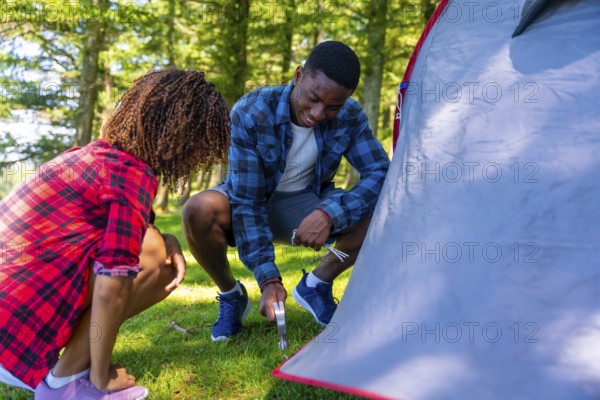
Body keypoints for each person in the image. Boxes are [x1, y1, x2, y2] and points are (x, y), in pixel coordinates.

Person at [0, 69, 230, 399]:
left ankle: (70, 371)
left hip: (9, 320)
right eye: (199, 144)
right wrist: (102, 376)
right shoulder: (131, 174)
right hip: (14, 338)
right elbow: (112, 284)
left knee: (158, 246)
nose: (198, 158)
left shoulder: (96, 156)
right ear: (177, 135)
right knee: (151, 251)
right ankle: (67, 384)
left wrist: (170, 240)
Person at [182, 41, 390, 342]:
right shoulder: (252, 110)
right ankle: (231, 295)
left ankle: (316, 285)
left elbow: (380, 172)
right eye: (313, 98)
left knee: (380, 213)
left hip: (304, 202)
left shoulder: (351, 116)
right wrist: (268, 279)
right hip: (249, 197)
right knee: (197, 210)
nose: (319, 113)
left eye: (333, 107)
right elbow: (248, 202)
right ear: (298, 76)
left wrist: (329, 213)